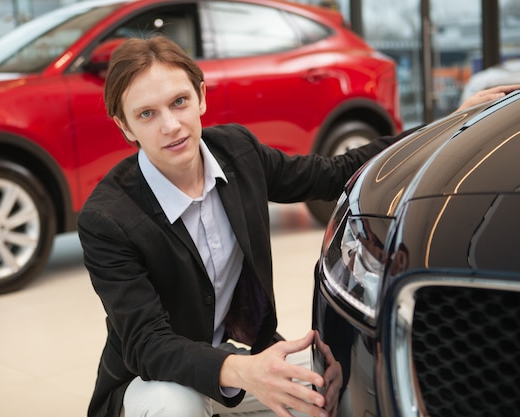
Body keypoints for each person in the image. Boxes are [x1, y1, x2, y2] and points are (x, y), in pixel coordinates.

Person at [77, 35, 520, 417]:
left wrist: (444, 127)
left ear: (201, 97)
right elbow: (147, 344)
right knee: (178, 404)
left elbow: (332, 172)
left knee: (324, 393)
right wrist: (247, 372)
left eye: (179, 102)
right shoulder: (107, 218)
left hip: (235, 358)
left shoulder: (237, 151)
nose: (171, 126)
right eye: (147, 114)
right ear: (125, 127)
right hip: (152, 382)